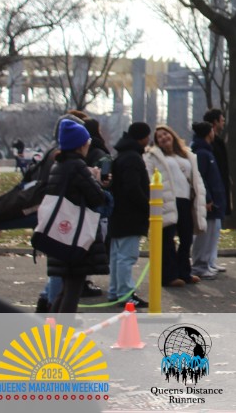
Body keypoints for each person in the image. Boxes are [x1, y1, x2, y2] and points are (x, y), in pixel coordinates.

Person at [41, 120, 110, 313]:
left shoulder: (59, 165)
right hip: (76, 236)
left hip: (62, 232)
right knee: (73, 290)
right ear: (80, 145)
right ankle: (63, 329)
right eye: (87, 142)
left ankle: (53, 328)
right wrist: (97, 180)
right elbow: (97, 198)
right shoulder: (77, 166)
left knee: (65, 289)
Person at [145, 125, 208, 286]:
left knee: (186, 238)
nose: (163, 138)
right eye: (159, 137)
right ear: (157, 142)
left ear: (172, 135)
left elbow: (196, 178)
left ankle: (184, 272)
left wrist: (201, 197)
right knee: (167, 240)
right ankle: (169, 275)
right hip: (167, 201)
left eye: (165, 134)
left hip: (186, 200)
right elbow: (149, 177)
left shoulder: (187, 154)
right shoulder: (153, 156)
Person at [107, 122, 151, 308]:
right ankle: (125, 294)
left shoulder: (122, 155)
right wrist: (147, 205)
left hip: (118, 214)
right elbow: (132, 187)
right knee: (127, 256)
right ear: (142, 137)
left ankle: (115, 291)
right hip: (130, 215)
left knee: (117, 255)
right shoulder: (133, 158)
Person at [190, 122, 226, 279]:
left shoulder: (206, 152)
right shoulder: (202, 154)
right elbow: (201, 178)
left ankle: (207, 262)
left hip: (214, 199)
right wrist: (207, 198)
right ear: (208, 133)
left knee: (211, 233)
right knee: (204, 235)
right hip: (209, 201)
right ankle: (200, 265)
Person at [203, 108, 231, 273]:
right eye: (221, 120)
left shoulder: (216, 143)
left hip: (219, 189)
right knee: (210, 228)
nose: (223, 122)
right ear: (214, 122)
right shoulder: (210, 146)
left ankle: (211, 260)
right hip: (213, 191)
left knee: (216, 227)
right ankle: (206, 261)